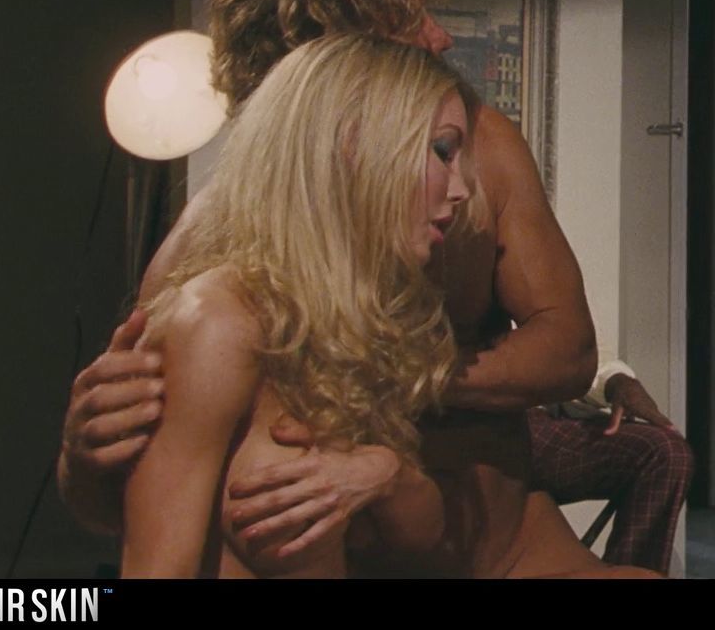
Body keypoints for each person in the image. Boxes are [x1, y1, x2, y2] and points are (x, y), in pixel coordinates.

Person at [58, 0, 654, 578]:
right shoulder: (212, 276)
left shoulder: (478, 159)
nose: (440, 36)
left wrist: (379, 389)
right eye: (407, 20)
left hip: (505, 548)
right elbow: (144, 510)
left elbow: (569, 350)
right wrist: (85, 456)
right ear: (334, 69)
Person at [121, 34, 469, 577]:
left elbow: (423, 538)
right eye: (442, 152)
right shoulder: (218, 323)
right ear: (354, 145)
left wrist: (385, 471)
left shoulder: (348, 317)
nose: (462, 188)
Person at [524, 357, 693, 574]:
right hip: (490, 423)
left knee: (665, 451)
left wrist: (617, 381)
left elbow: (576, 357)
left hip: (542, 421)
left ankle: (630, 573)